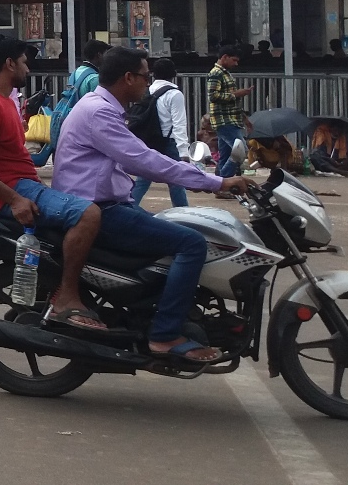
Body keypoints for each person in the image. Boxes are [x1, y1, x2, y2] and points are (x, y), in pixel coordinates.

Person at [54, 46, 253, 363]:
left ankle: (150, 311)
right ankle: (165, 335)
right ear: (128, 78)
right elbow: (144, 160)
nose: (149, 83)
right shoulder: (99, 112)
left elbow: (136, 160)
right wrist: (216, 181)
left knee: (175, 226)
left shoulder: (100, 107)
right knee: (192, 244)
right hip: (99, 211)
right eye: (145, 77)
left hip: (109, 204)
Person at [0, 37, 107, 331]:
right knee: (88, 214)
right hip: (14, 191)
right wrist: (14, 199)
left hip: (24, 185)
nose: (28, 68)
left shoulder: (3, 100)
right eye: (24, 62)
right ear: (9, 64)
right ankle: (67, 296)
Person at [131, 57, 191, 208]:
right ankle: (182, 211)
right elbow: (179, 123)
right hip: (168, 142)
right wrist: (184, 151)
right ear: (173, 74)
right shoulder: (174, 94)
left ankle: (129, 205)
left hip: (149, 140)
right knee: (176, 180)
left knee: (144, 178)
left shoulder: (148, 91)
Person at [207, 44, 252, 179]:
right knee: (241, 150)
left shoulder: (224, 73)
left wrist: (244, 118)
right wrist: (237, 94)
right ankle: (224, 180)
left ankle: (221, 181)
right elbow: (213, 96)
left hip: (229, 119)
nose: (236, 64)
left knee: (226, 155)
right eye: (234, 60)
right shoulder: (216, 73)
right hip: (224, 120)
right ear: (225, 57)